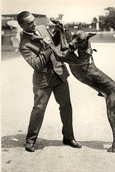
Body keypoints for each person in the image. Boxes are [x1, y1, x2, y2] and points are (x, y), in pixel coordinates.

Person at [17, 11, 82, 152]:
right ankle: (30, 140)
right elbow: (38, 65)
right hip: (43, 81)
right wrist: (46, 49)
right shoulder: (24, 45)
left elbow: (55, 41)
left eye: (34, 20)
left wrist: (59, 30)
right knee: (38, 110)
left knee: (66, 107)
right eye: (30, 23)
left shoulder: (41, 28)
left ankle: (69, 137)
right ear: (22, 25)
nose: (34, 23)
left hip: (59, 75)